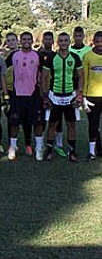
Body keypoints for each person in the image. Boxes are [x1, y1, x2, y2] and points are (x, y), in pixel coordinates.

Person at [41, 32, 83, 162]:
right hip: (55, 97)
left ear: (69, 42)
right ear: (57, 42)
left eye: (66, 40)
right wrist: (45, 96)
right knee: (52, 124)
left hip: (70, 96)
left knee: (71, 124)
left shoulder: (75, 57)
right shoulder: (52, 57)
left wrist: (80, 94)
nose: (63, 43)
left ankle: (72, 152)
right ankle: (49, 152)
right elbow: (44, 77)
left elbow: (81, 76)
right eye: (61, 40)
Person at [4, 32, 44, 161]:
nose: (26, 41)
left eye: (29, 39)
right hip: (17, 94)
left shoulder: (37, 55)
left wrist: (43, 92)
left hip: (33, 94)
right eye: (24, 39)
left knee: (37, 122)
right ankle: (13, 147)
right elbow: (3, 72)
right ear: (20, 41)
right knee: (14, 122)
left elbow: (43, 74)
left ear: (32, 41)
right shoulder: (14, 55)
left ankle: (38, 148)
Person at [83, 31, 102, 160]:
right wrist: (83, 96)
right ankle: (92, 152)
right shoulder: (87, 56)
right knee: (93, 125)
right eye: (97, 42)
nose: (100, 44)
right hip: (91, 96)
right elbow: (83, 78)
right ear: (93, 42)